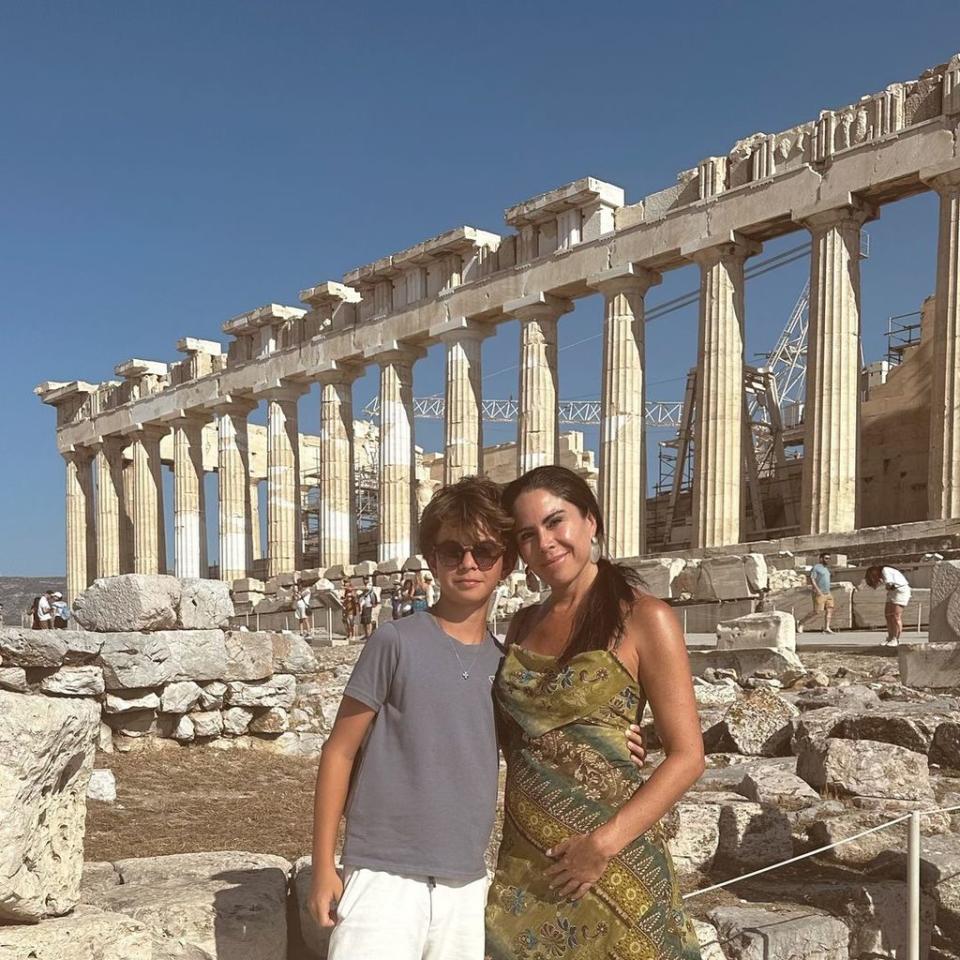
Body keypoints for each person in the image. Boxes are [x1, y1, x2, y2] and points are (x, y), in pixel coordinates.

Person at [308, 476, 647, 960]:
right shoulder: (394, 642)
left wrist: (617, 740)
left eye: (485, 552)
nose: (469, 563)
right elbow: (339, 751)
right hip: (382, 871)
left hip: (466, 881)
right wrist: (325, 863)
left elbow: (541, 744)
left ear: (507, 563)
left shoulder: (508, 664)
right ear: (432, 559)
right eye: (452, 551)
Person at [485, 465, 704, 959]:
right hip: (527, 859)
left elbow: (688, 757)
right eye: (527, 534)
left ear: (591, 522)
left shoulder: (646, 618)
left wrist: (600, 847)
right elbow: (517, 728)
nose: (545, 542)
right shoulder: (522, 623)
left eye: (556, 522)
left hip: (613, 858)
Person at [864, 564, 911, 646]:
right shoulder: (884, 572)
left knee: (895, 616)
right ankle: (890, 637)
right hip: (893, 591)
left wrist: (882, 584)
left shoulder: (885, 570)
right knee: (888, 615)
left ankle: (896, 639)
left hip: (900, 591)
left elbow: (889, 585)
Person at [797, 552, 835, 634]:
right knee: (816, 611)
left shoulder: (826, 568)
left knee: (830, 609)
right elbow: (812, 579)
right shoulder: (816, 567)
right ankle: (801, 622)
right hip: (819, 593)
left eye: (829, 558)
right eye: (826, 558)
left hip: (828, 593)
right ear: (821, 559)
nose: (828, 560)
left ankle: (827, 628)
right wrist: (817, 590)